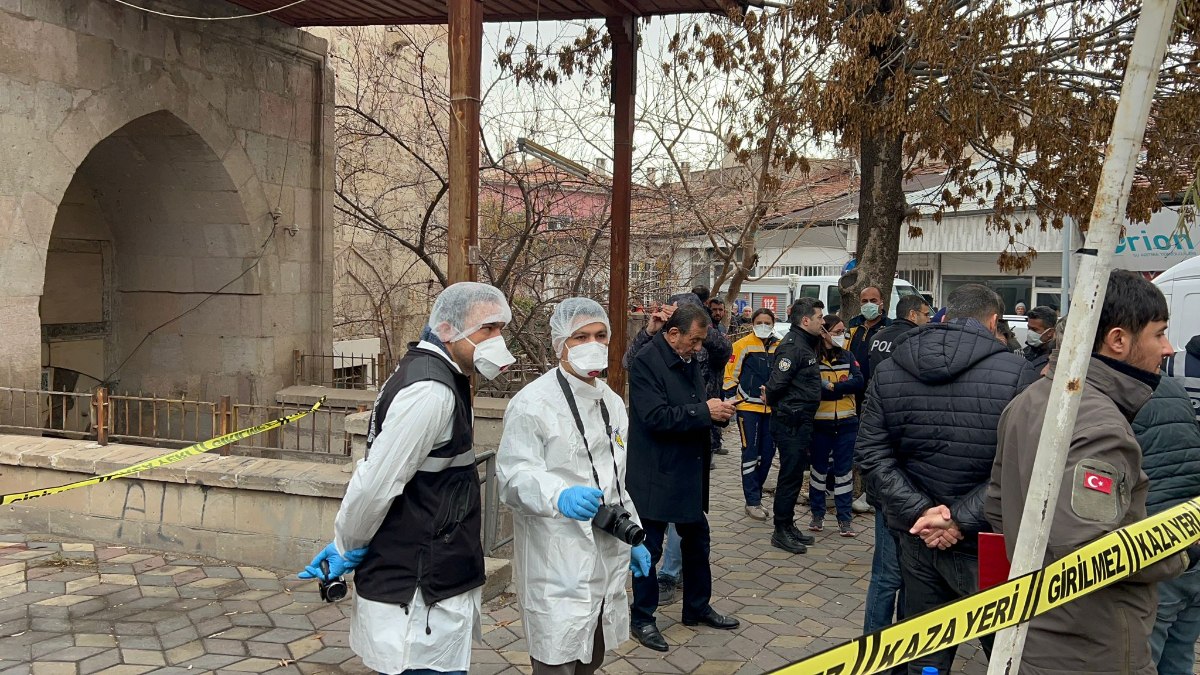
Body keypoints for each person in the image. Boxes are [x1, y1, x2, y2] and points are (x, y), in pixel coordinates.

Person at [299, 282, 513, 675]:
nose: (498, 339)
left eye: (501, 328)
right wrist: (345, 543)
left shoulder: (439, 374)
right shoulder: (431, 391)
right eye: (488, 329)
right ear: (447, 329)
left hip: (432, 574)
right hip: (420, 590)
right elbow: (376, 484)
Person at [987, 270, 1193, 675]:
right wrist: (1181, 551)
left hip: (1035, 634)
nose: (1168, 348)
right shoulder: (1100, 425)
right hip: (1093, 648)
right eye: (1159, 334)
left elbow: (998, 506)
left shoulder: (1032, 400)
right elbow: (1096, 552)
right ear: (1118, 340)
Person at [857, 283, 1037, 674]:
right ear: (993, 322)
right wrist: (955, 518)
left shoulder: (890, 370)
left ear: (945, 317)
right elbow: (1022, 466)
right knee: (1006, 649)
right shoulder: (1018, 373)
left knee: (924, 653)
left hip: (916, 536)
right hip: (985, 543)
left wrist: (922, 512)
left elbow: (871, 455)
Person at [497, 298, 649, 675]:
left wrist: (632, 533)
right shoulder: (532, 403)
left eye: (599, 335)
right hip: (556, 557)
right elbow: (513, 477)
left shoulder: (612, 403)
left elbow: (615, 480)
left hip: (604, 551)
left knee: (591, 655)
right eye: (580, 336)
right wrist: (557, 495)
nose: (592, 343)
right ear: (559, 344)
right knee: (557, 658)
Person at [626, 304, 740, 652]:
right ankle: (642, 618)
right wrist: (703, 411)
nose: (698, 348)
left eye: (701, 342)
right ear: (673, 334)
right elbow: (655, 417)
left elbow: (694, 403)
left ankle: (696, 607)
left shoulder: (689, 359)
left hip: (688, 469)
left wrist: (715, 414)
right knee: (649, 549)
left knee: (698, 541)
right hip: (656, 473)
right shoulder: (647, 361)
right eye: (694, 340)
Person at [859, 298, 929, 637]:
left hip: (900, 497)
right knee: (895, 578)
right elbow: (872, 451)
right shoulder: (894, 390)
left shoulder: (889, 382)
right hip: (904, 499)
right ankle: (882, 647)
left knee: (896, 578)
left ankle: (889, 648)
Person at [1132, 373, 1200, 675]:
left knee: (1144, 656)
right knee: (1181, 653)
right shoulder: (1171, 386)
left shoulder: (1115, 397)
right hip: (1192, 534)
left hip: (1157, 547)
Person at [764, 297, 824, 555]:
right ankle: (780, 530)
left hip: (800, 421)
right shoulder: (792, 347)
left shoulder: (806, 344)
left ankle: (788, 524)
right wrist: (785, 408)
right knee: (789, 477)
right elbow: (775, 385)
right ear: (806, 320)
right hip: (791, 421)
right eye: (820, 318)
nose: (823, 322)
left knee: (795, 475)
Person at [808, 314, 864, 536]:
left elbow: (859, 382)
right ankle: (817, 515)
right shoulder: (813, 358)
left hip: (847, 422)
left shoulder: (848, 356)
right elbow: (813, 387)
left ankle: (844, 519)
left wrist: (832, 388)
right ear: (824, 333)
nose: (842, 336)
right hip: (820, 423)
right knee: (818, 471)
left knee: (844, 473)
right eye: (838, 331)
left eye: (843, 332)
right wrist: (839, 387)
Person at [724, 308, 780, 521]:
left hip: (771, 409)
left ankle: (757, 494)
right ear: (753, 323)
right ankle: (752, 500)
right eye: (760, 322)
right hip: (748, 409)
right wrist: (735, 398)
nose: (764, 325)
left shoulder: (780, 345)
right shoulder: (742, 345)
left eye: (767, 322)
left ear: (773, 323)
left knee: (767, 454)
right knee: (750, 453)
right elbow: (730, 375)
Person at [867, 295, 930, 375]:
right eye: (926, 315)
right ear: (913, 315)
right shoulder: (916, 338)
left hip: (877, 386)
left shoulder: (876, 337)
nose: (929, 320)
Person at [1022, 305, 1058, 371]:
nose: (1030, 332)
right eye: (1029, 328)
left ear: (1050, 332)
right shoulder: (1025, 352)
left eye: (1034, 329)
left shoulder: (1056, 357)